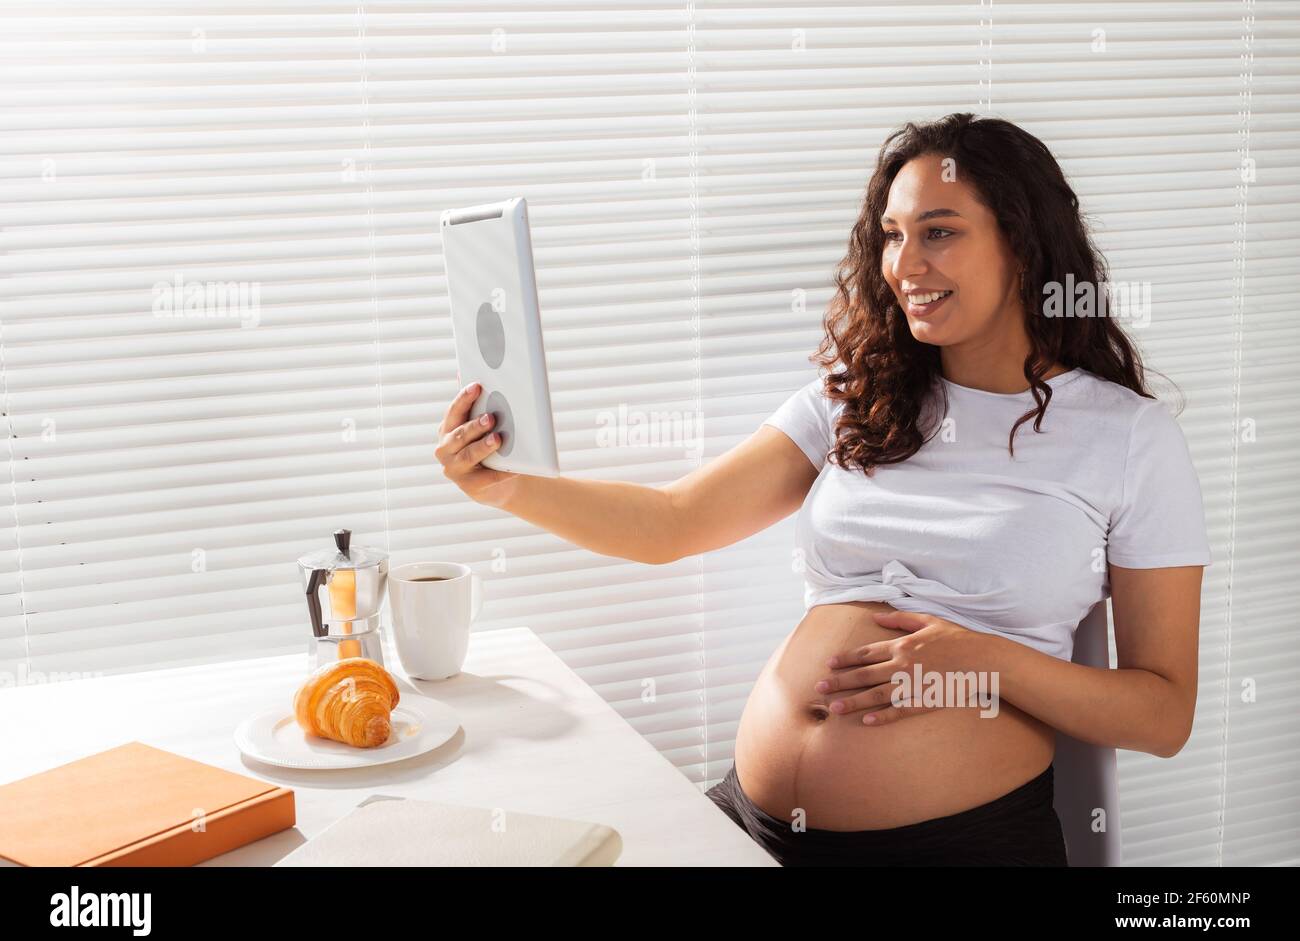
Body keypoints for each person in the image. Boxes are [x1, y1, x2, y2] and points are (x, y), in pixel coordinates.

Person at [435, 113, 1212, 866]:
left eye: (939, 231)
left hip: (955, 846)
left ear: (1023, 242)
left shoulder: (1127, 439)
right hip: (751, 823)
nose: (906, 265)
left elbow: (1163, 712)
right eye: (893, 236)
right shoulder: (856, 399)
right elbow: (669, 523)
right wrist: (506, 488)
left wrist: (982, 660)